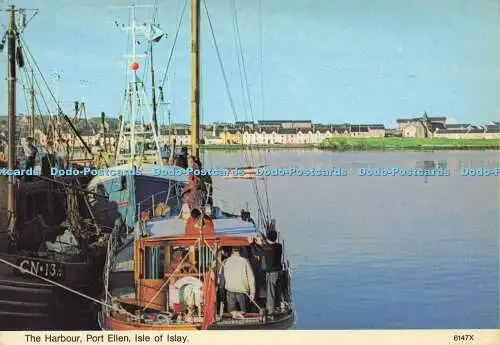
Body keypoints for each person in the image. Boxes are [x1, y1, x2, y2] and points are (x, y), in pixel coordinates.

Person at [250, 230, 283, 315]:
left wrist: (252, 243)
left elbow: (256, 253)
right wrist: (261, 244)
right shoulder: (279, 246)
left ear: (267, 238)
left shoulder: (267, 249)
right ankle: (278, 307)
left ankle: (271, 311)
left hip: (271, 274)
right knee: (277, 292)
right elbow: (267, 248)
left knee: (271, 293)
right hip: (279, 272)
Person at [220, 247, 256, 319]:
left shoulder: (225, 261)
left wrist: (222, 292)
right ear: (240, 251)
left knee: (232, 313)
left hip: (230, 291)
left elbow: (222, 278)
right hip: (243, 291)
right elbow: (251, 278)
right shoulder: (245, 261)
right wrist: (253, 292)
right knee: (245, 314)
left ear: (232, 251)